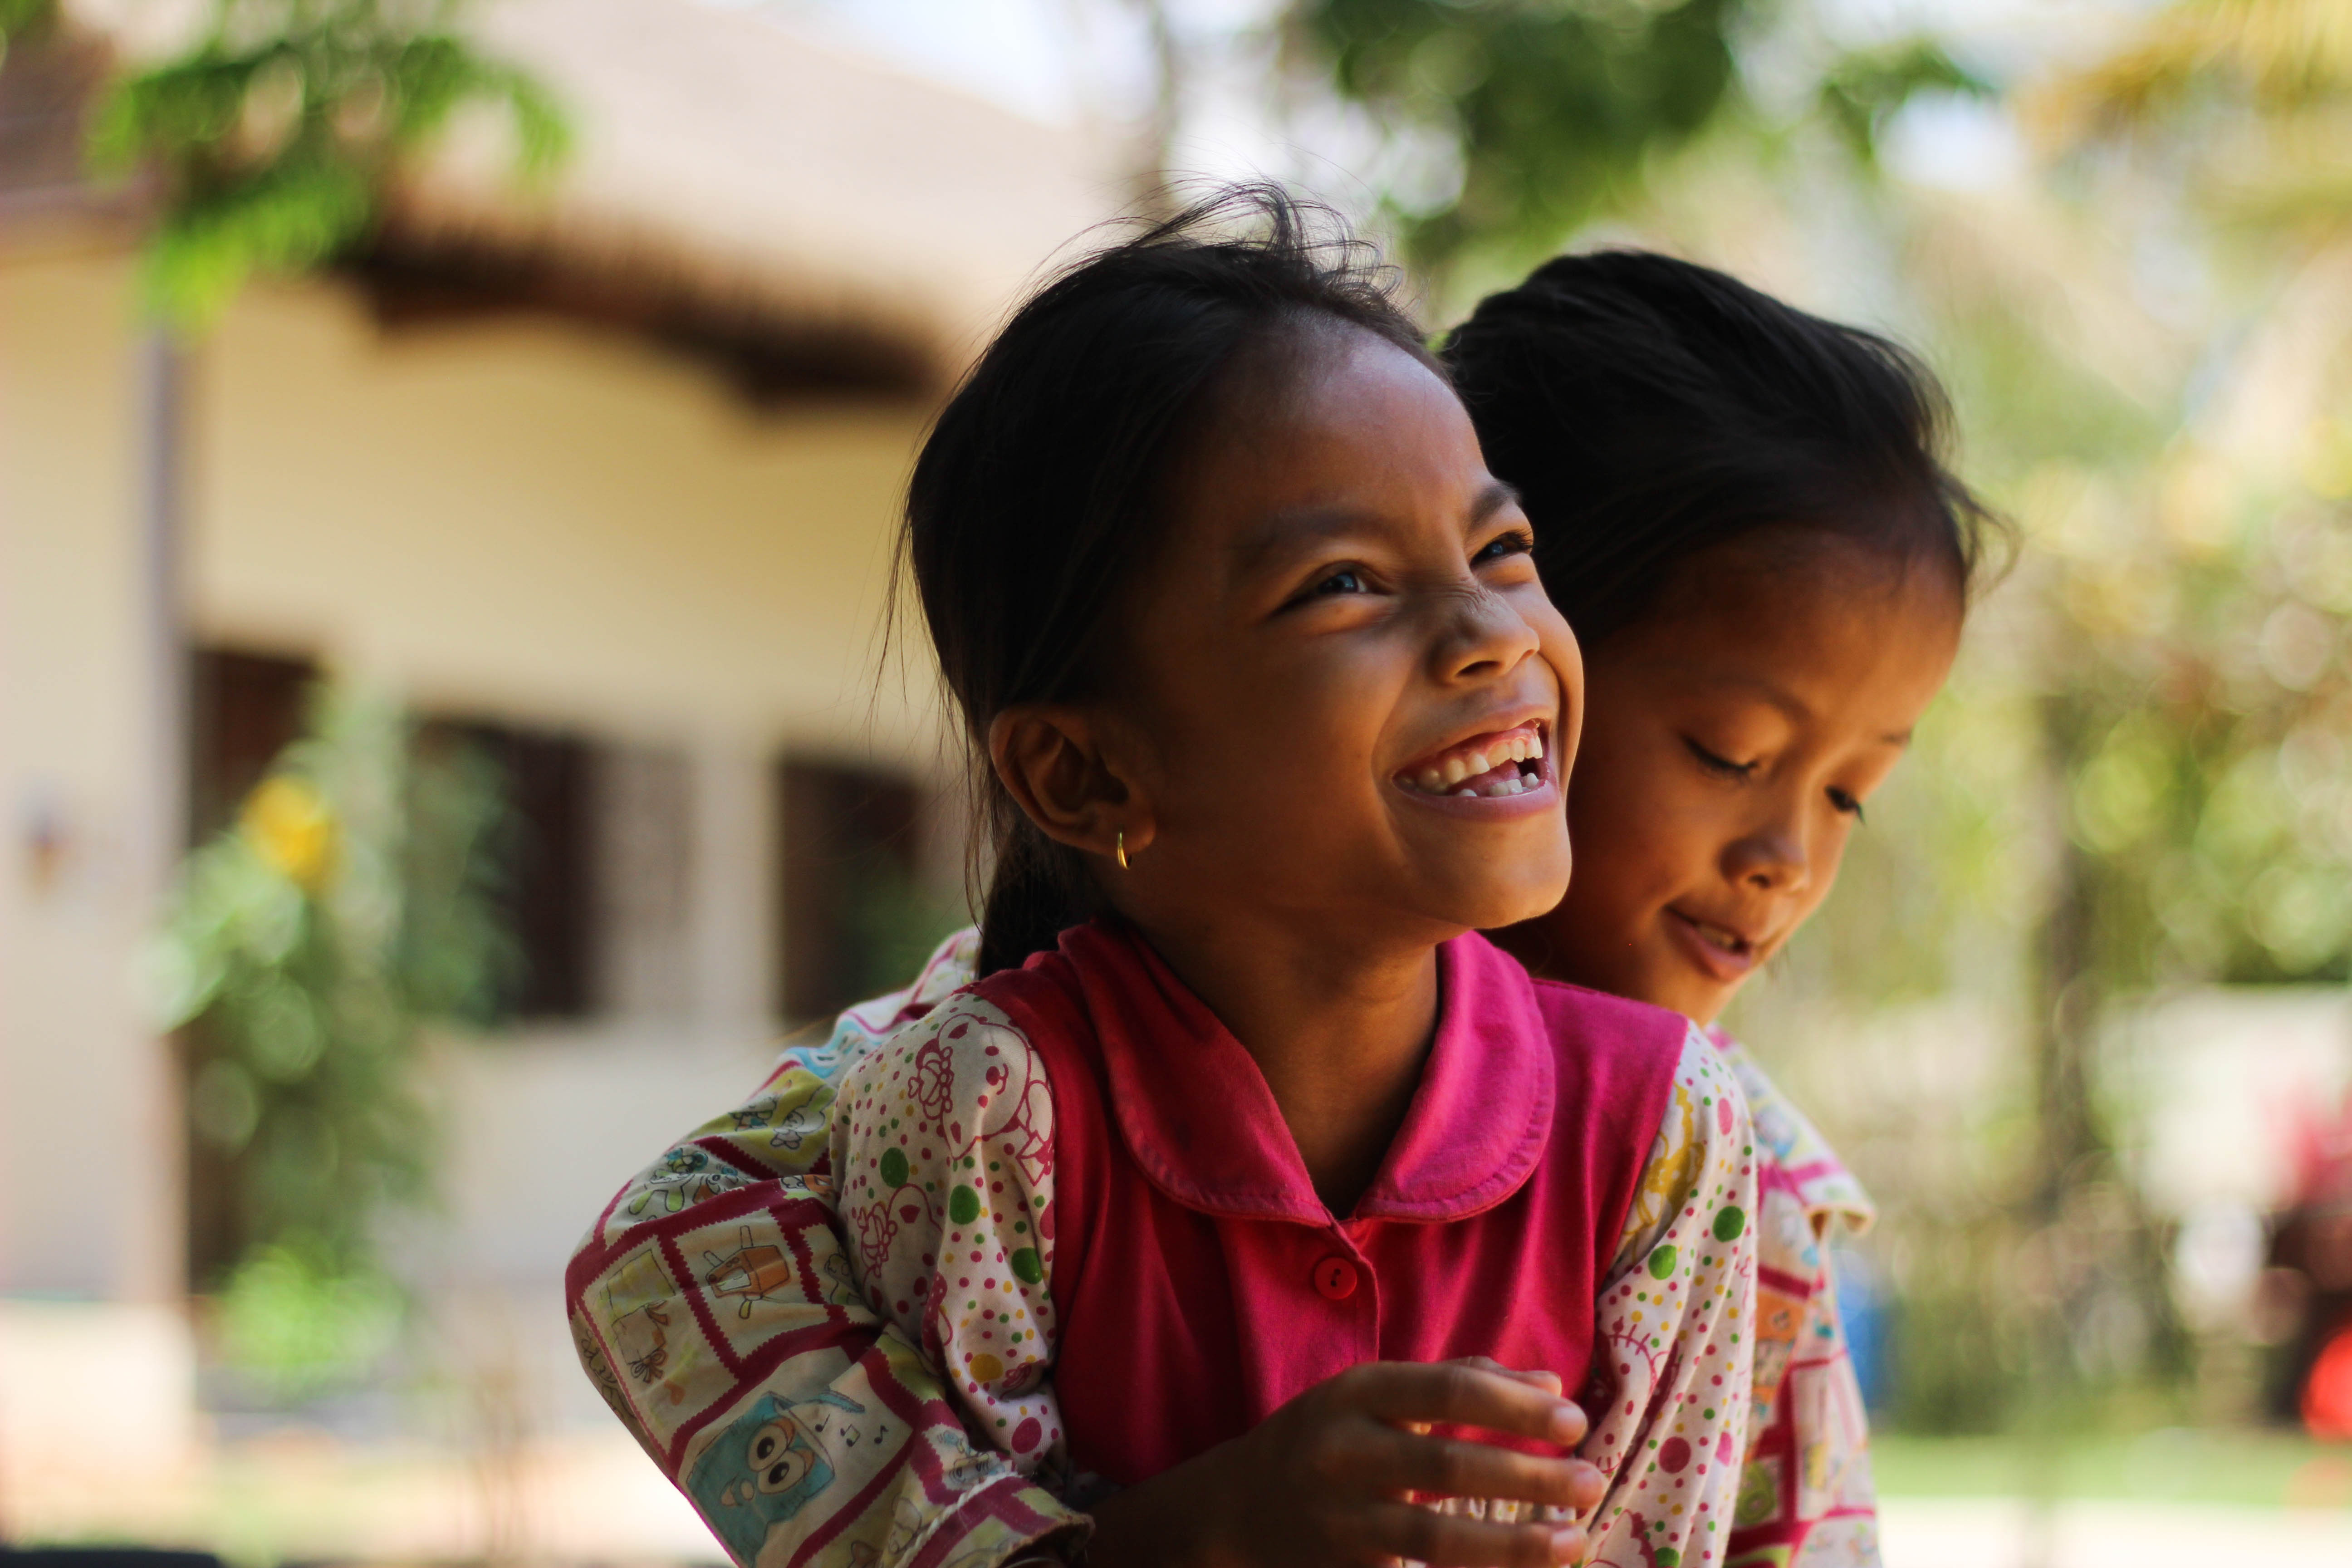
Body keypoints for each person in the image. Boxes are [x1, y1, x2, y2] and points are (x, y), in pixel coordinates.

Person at [566, 187, 1759, 1568]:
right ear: (1086, 775)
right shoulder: (982, 1115)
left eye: (1502, 550)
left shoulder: (1666, 1131)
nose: (1493, 631)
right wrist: (1202, 1535)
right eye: (1345, 584)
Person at [1448, 251, 1999, 1566]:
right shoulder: (1056, 1065)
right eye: (1730, 753)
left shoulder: (1749, 1202)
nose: (1788, 857)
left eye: (1850, 794)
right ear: (1504, 661)